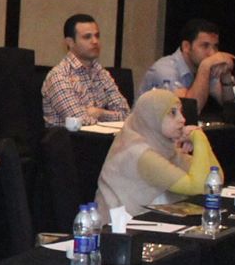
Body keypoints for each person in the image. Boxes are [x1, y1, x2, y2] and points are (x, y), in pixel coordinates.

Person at [95, 88, 223, 218]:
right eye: (172, 113)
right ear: (152, 117)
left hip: (145, 220)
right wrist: (199, 139)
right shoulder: (141, 153)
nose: (182, 119)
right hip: (118, 226)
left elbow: (214, 179)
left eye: (181, 112)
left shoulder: (162, 144)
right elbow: (200, 188)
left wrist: (201, 142)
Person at [41, 13, 129, 126]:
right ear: (70, 42)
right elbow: (79, 122)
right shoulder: (59, 76)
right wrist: (109, 116)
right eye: (87, 37)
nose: (95, 41)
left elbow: (126, 115)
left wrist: (100, 113)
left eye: (97, 36)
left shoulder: (101, 73)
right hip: (72, 137)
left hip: (103, 136)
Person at [142, 18, 235, 109]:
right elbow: (189, 111)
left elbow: (230, 107)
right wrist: (204, 67)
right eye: (205, 46)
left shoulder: (203, 65)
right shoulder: (165, 70)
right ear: (186, 47)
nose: (212, 53)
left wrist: (226, 75)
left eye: (215, 46)